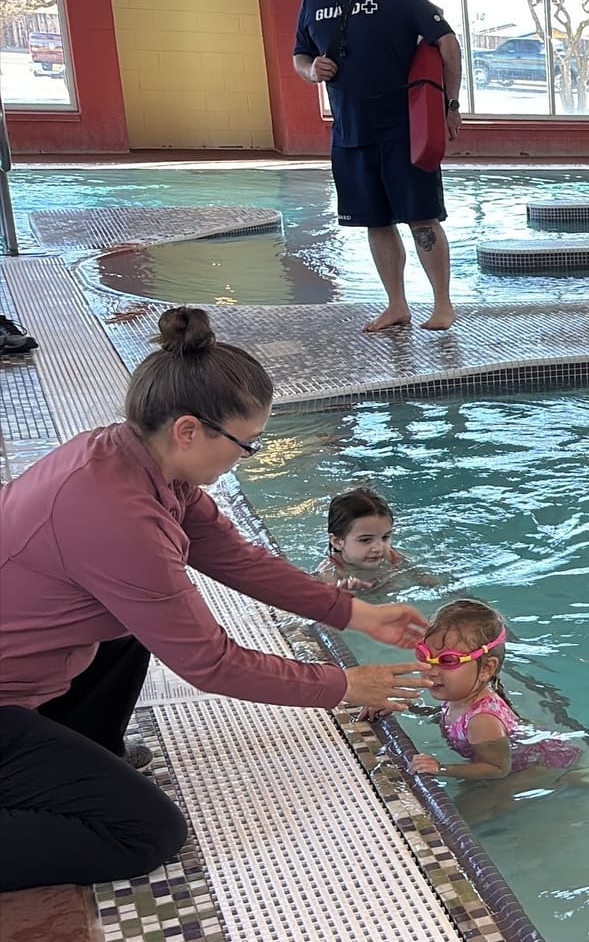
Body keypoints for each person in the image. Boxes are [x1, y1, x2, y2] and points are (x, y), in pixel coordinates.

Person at [0, 306, 435, 893]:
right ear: (188, 429)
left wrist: (358, 614)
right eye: (246, 444)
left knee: (129, 627)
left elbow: (234, 557)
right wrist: (344, 686)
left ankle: (81, 748)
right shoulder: (116, 516)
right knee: (145, 834)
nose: (245, 458)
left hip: (22, 668)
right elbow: (211, 662)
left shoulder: (133, 459)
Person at [293, 0, 463, 333]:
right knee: (375, 220)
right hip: (350, 130)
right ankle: (397, 306)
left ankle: (442, 305)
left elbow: (448, 43)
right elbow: (300, 54)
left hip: (403, 128)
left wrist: (450, 107)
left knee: (422, 218)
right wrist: (310, 70)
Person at [406, 599, 582, 782]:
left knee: (476, 806)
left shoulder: (482, 721)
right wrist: (405, 706)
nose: (431, 671)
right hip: (522, 751)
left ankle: (580, 776)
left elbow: (497, 768)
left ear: (486, 669)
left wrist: (442, 768)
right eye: (424, 655)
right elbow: (447, 718)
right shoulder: (459, 694)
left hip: (542, 767)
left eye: (448, 661)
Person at [319, 486, 410, 592]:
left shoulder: (393, 558)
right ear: (337, 541)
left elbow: (429, 581)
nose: (379, 548)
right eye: (366, 540)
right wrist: (344, 596)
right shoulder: (330, 573)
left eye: (385, 537)